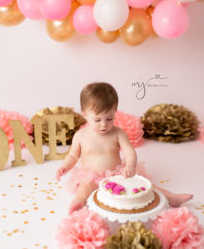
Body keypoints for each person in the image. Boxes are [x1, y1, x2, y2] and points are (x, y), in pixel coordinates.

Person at [56, 82, 193, 214]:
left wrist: (130, 165)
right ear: (85, 114)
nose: (104, 124)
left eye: (109, 118)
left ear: (115, 111)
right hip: (91, 176)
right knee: (84, 190)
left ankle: (171, 197)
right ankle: (78, 204)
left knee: (145, 186)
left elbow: (129, 152)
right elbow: (73, 156)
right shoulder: (81, 135)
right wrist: (64, 167)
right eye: (97, 120)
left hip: (117, 173)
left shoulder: (118, 133)